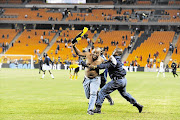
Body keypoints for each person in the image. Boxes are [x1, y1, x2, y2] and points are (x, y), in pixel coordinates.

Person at [88, 48, 143, 114]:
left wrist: (94, 66)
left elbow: (105, 65)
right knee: (125, 94)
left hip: (117, 81)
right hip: (123, 80)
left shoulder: (114, 60)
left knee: (102, 91)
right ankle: (138, 105)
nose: (113, 51)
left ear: (117, 53)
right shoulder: (118, 59)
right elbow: (108, 62)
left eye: (114, 51)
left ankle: (98, 109)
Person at [72, 43, 104, 115]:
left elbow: (107, 65)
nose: (95, 54)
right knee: (88, 96)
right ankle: (97, 94)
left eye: (97, 53)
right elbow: (79, 53)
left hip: (95, 79)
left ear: (100, 53)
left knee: (93, 94)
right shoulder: (87, 54)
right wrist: (74, 46)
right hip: (86, 79)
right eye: (94, 52)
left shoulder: (101, 60)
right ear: (92, 51)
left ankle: (90, 110)